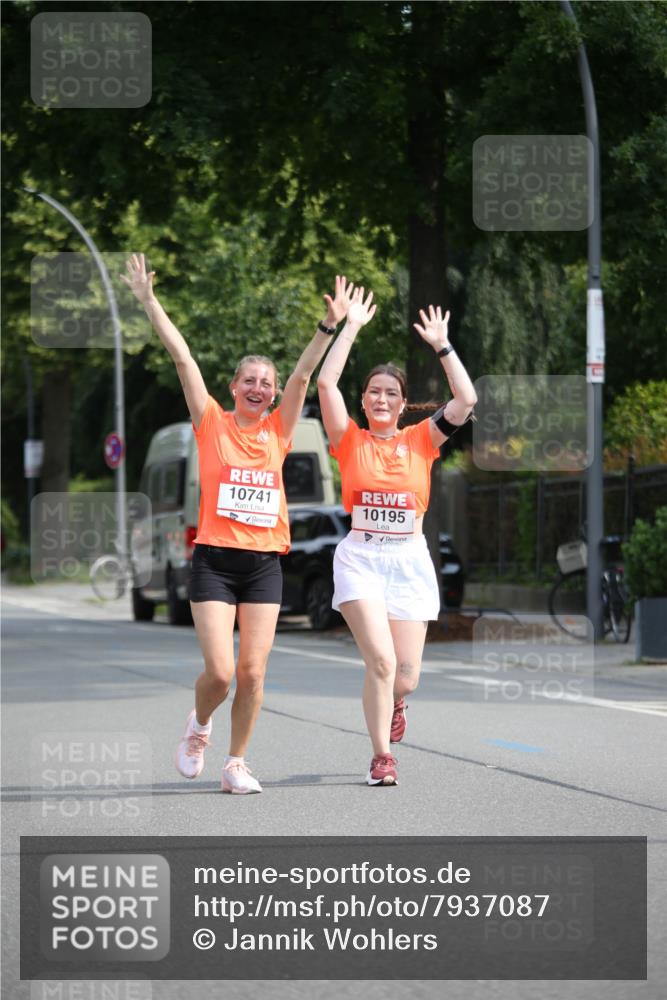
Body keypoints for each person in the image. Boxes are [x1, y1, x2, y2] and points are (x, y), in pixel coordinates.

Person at [123, 254, 354, 794]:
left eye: (265, 382)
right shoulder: (210, 423)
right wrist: (150, 301)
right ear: (232, 387)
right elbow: (181, 359)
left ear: (273, 394)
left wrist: (329, 326)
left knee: (253, 673)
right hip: (214, 563)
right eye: (249, 380)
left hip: (264, 566)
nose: (259, 387)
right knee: (222, 674)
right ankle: (199, 726)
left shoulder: (279, 429)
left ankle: (236, 763)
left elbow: (304, 374)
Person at [317, 291, 477, 786]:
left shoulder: (420, 440)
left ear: (403, 404)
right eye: (373, 392)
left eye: (390, 393)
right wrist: (349, 327)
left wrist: (443, 346)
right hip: (361, 557)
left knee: (404, 677)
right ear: (362, 401)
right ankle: (381, 757)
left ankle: (397, 703)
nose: (381, 399)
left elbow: (466, 401)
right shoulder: (348, 439)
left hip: (409, 559)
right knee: (381, 662)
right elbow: (324, 382)